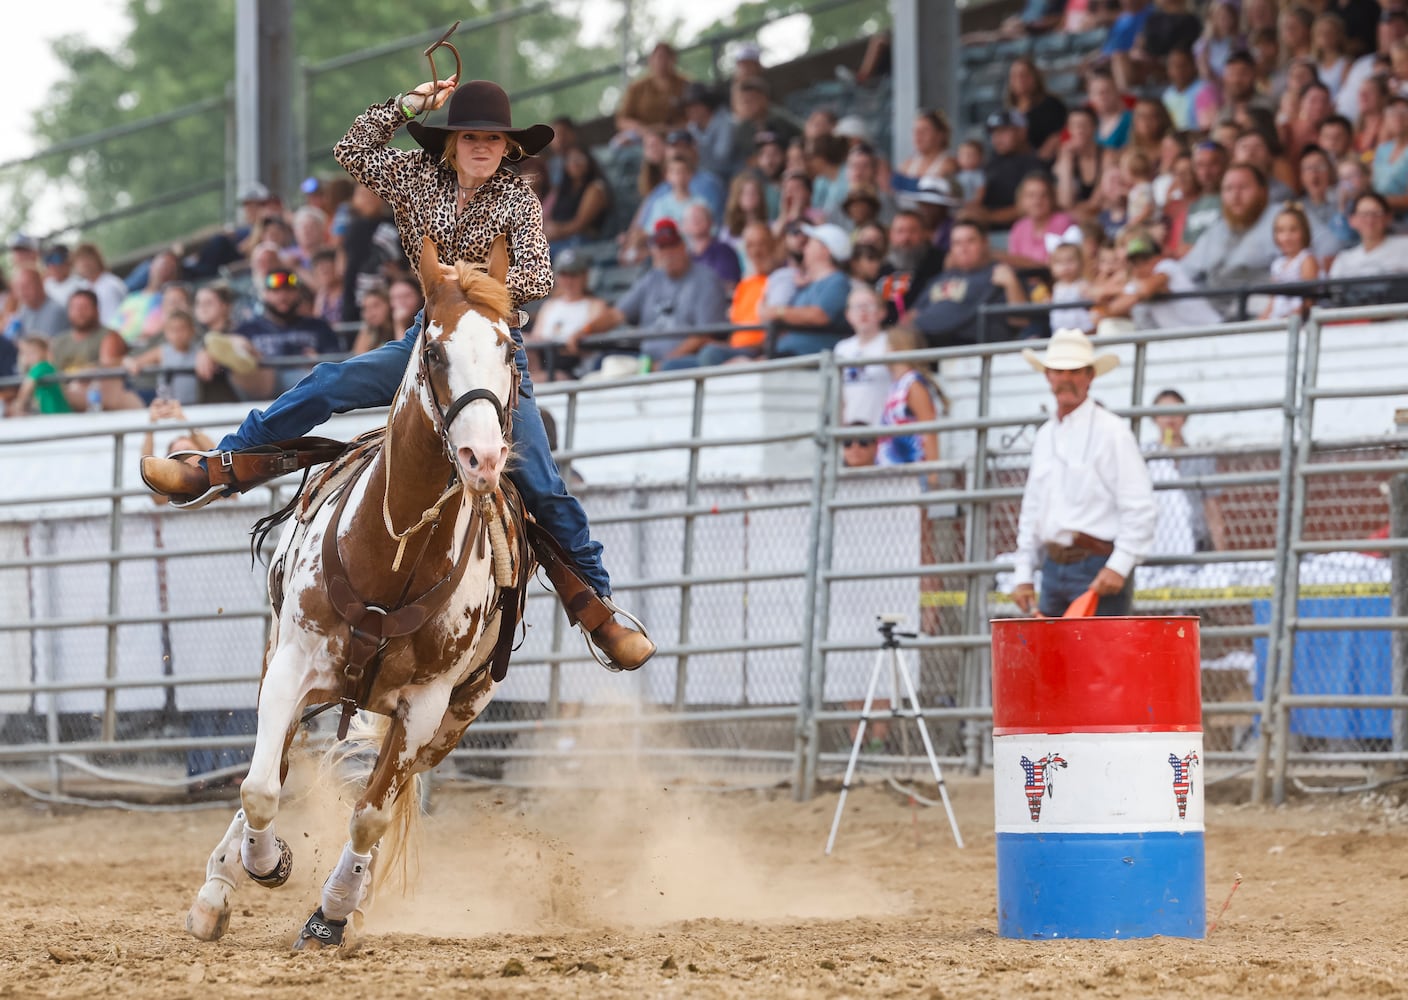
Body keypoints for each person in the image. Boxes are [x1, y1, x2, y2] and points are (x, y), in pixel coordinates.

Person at [138, 76, 654, 671]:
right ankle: (220, 467)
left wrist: (460, 287)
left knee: (539, 478)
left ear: (507, 147)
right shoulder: (418, 177)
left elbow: (535, 279)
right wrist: (409, 104)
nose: (482, 146)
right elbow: (353, 150)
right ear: (452, 143)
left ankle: (598, 607)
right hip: (427, 343)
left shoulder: (517, 199)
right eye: (470, 136)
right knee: (330, 383)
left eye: (493, 138)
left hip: (490, 349)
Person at [1009, 329, 1156, 617]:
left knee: (1096, 659)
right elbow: (1033, 509)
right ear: (1048, 375)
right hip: (1056, 565)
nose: (1066, 379)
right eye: (1059, 371)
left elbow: (1139, 506)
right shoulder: (1046, 435)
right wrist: (1023, 572)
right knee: (1060, 660)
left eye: (1074, 371)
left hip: (1096, 564)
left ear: (1090, 375)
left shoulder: (1112, 431)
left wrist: (1118, 565)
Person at [571, 218, 728, 369]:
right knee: (604, 363)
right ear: (655, 252)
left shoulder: (706, 280)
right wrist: (586, 330)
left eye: (672, 246)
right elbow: (615, 315)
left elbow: (704, 336)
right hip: (646, 358)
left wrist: (664, 363)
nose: (668, 253)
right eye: (662, 248)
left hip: (685, 361)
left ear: (683, 246)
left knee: (668, 367)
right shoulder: (652, 279)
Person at [908, 221, 1027, 346]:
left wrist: (1012, 284)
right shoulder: (940, 278)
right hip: (921, 342)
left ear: (984, 243)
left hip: (965, 346)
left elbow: (1020, 320)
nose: (963, 249)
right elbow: (912, 315)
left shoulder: (1000, 273)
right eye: (957, 243)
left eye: (970, 241)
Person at [1148, 388, 1227, 552]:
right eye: (1163, 413)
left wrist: (1221, 552)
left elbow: (1211, 507)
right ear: (1154, 418)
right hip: (1157, 542)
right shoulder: (1146, 459)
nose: (1170, 419)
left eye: (1176, 412)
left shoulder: (1200, 457)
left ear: (1184, 417)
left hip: (1197, 540)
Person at [762, 222, 854, 356]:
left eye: (811, 243)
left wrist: (778, 312)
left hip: (809, 360)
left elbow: (821, 315)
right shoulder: (806, 283)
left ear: (825, 250)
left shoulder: (838, 282)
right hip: (787, 356)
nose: (805, 247)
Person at [523, 247, 606, 380]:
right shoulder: (549, 305)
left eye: (573, 274)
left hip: (576, 369)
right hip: (546, 364)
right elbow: (536, 339)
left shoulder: (595, 305)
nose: (568, 280)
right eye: (563, 274)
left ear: (584, 276)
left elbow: (589, 346)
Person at [876, 324, 945, 469]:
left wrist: (932, 476)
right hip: (894, 469)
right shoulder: (897, 383)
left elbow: (929, 431)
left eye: (887, 346)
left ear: (898, 348)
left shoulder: (913, 384)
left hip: (912, 470)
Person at [835, 283, 892, 425]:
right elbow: (839, 396)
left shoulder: (891, 343)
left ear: (882, 312)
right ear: (848, 315)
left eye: (869, 306)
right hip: (854, 435)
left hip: (884, 429)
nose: (863, 312)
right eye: (856, 307)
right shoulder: (842, 348)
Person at [615, 42, 689, 139]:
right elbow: (622, 120)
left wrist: (670, 129)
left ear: (674, 60)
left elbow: (694, 117)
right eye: (659, 57)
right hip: (643, 136)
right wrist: (642, 130)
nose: (662, 62)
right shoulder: (637, 88)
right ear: (651, 60)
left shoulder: (686, 85)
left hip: (676, 135)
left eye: (667, 58)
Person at [1262, 204, 1322, 319]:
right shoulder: (1277, 264)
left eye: (1293, 230)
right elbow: (1272, 304)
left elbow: (1308, 302)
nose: (1286, 237)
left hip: (1297, 324)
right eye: (1280, 231)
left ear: (1304, 232)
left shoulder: (1307, 259)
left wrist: (1287, 319)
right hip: (1277, 321)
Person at [7, 336, 71, 415]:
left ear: (44, 352)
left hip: (56, 413)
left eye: (32, 352)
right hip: (52, 414)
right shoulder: (42, 368)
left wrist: (19, 404)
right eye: (24, 352)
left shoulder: (42, 366)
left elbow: (27, 386)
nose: (28, 356)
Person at [9, 266, 69, 339]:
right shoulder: (24, 309)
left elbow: (48, 346)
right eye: (17, 288)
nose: (22, 292)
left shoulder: (56, 310)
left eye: (26, 286)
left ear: (40, 284)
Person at [350, 284, 396, 356]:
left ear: (389, 304)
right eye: (365, 308)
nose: (370, 313)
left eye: (376, 306)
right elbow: (358, 358)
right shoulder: (370, 331)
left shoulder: (400, 327)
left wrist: (400, 324)